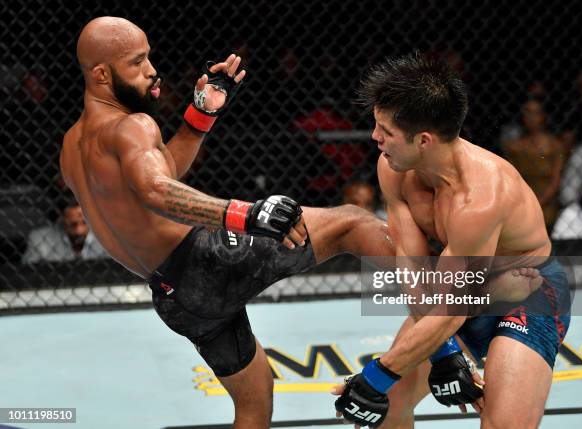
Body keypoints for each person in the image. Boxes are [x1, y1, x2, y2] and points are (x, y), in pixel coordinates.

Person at [60, 17, 399, 429]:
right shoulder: (134, 125)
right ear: (100, 74)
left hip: (175, 297)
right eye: (137, 62)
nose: (152, 70)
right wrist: (248, 215)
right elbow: (155, 190)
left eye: (148, 56)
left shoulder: (73, 145)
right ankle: (451, 321)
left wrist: (201, 114)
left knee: (256, 396)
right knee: (355, 223)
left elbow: (158, 177)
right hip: (209, 260)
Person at [333, 53, 570, 428]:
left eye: (386, 130)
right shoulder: (394, 167)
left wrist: (375, 378)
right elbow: (412, 271)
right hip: (458, 288)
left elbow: (453, 307)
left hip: (529, 295)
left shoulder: (480, 199)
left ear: (424, 139)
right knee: (387, 409)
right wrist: (444, 354)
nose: (375, 137)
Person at [502, 98, 565, 228]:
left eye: (536, 113)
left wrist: (538, 203)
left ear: (543, 116)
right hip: (521, 202)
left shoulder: (555, 146)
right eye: (527, 112)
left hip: (547, 205)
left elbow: (555, 182)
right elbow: (511, 178)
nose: (531, 117)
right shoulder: (514, 147)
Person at [22, 194, 106, 263]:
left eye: (84, 223)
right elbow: (28, 274)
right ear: (62, 220)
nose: (79, 231)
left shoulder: (107, 238)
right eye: (73, 225)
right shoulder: (40, 239)